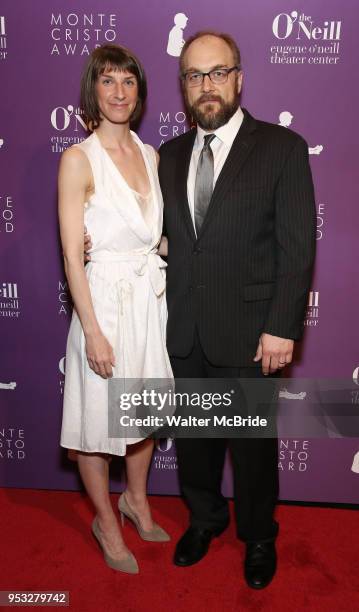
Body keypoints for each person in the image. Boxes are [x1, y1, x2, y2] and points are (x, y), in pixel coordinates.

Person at [158, 31, 316, 588]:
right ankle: (204, 520)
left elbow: (298, 248)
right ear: (183, 86)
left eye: (217, 72)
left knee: (251, 452)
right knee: (196, 444)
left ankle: (258, 535)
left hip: (252, 333)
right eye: (195, 76)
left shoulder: (281, 148)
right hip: (186, 330)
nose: (207, 86)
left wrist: (280, 327)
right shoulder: (169, 156)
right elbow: (162, 236)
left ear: (239, 78)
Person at [59, 44, 172, 574]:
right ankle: (106, 520)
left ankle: (137, 502)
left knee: (142, 414)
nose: (120, 92)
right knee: (97, 426)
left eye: (129, 81)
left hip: (148, 303)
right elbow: (71, 255)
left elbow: (156, 238)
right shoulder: (78, 159)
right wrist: (93, 330)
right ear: (94, 90)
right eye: (108, 81)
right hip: (102, 302)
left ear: (139, 92)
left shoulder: (151, 156)